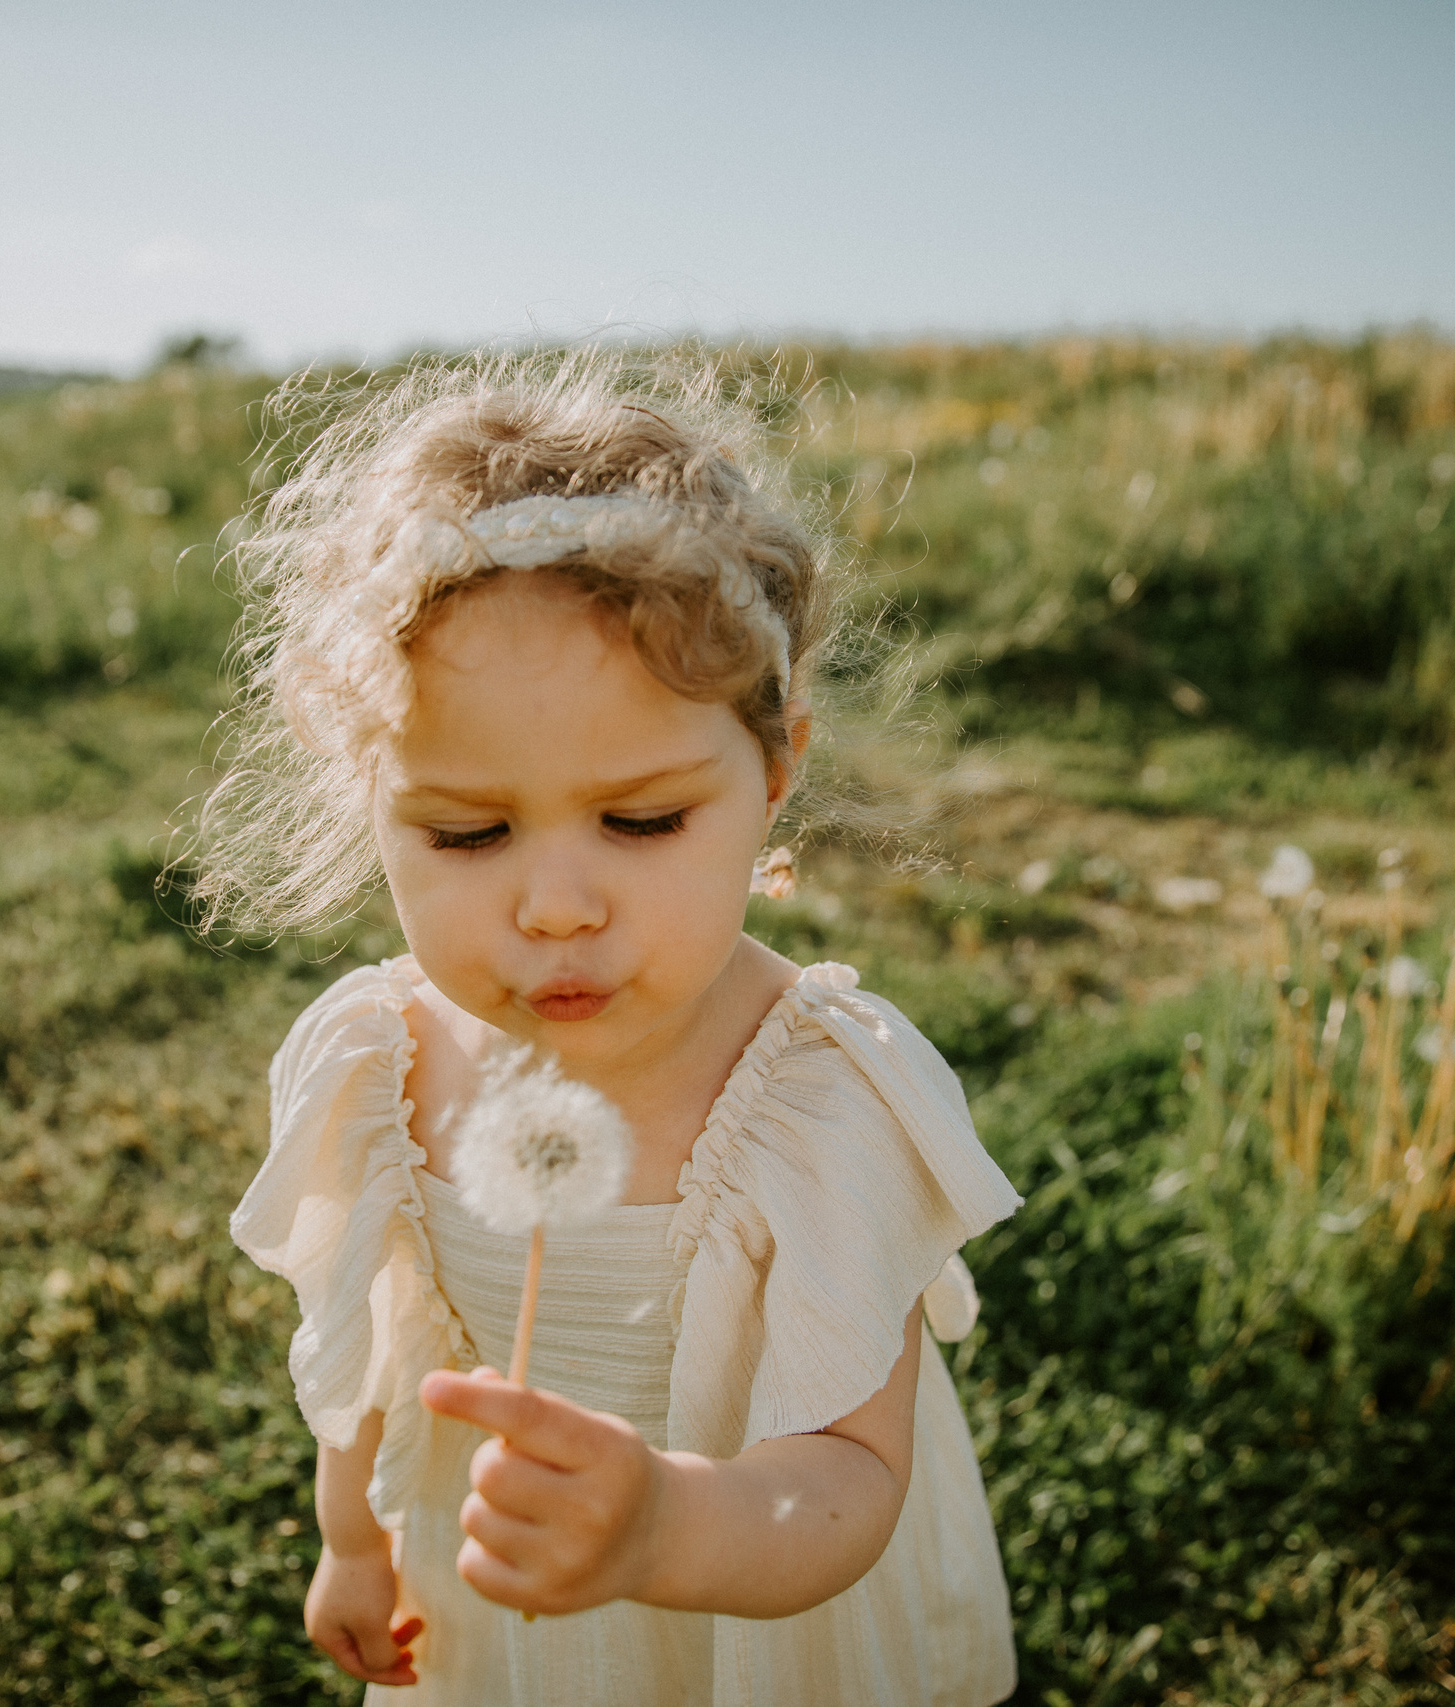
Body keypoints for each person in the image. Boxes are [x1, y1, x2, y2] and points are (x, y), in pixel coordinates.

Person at [213, 350, 1025, 1705]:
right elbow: (375, 1350)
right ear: (371, 800)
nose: (555, 905)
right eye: (466, 830)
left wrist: (659, 1525)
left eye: (643, 821)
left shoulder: (821, 1099)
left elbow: (854, 1480)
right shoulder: (380, 1066)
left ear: (775, 770)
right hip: (492, 1614)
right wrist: (352, 1543)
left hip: (759, 1618)